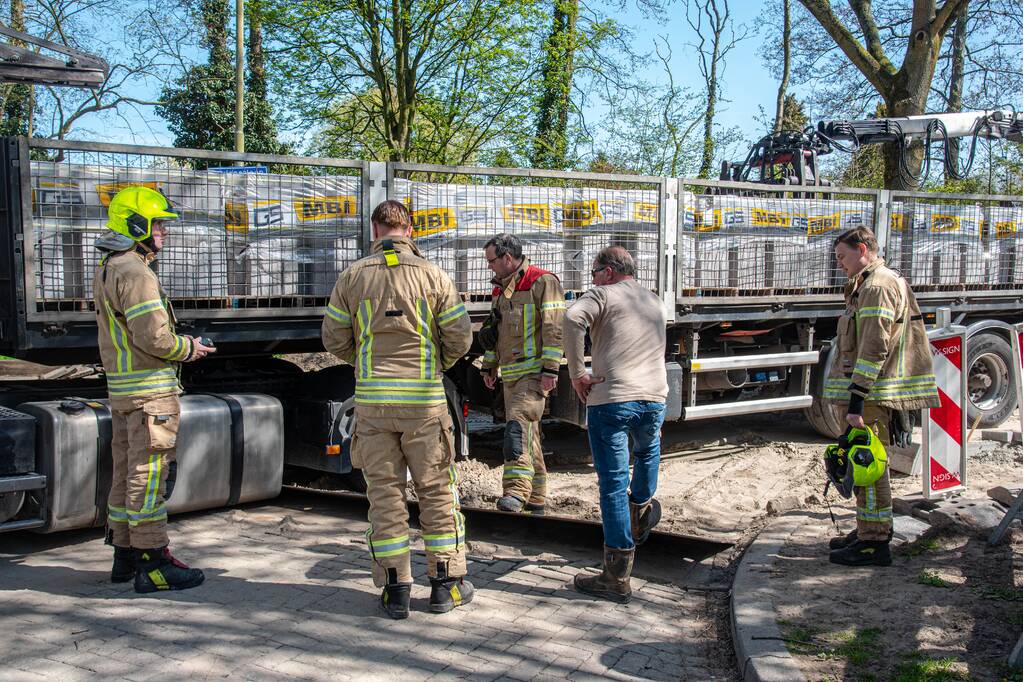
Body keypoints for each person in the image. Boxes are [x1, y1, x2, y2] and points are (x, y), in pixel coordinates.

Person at [322, 200, 474, 619]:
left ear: (376, 230)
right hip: (424, 403)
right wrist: (434, 365)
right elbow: (461, 338)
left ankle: (395, 590)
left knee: (385, 496)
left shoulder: (352, 277)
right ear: (410, 229)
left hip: (372, 405)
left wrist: (364, 362)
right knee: (437, 492)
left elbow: (332, 337)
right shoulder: (434, 275)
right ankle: (445, 587)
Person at [93, 186, 214, 593]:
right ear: (136, 224)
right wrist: (190, 348)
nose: (163, 231)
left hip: (126, 393)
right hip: (150, 394)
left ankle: (124, 556)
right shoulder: (135, 272)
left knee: (126, 473)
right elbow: (156, 339)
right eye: (158, 223)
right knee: (148, 478)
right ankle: (154, 562)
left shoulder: (111, 265)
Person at [824, 227, 939, 567]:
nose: (840, 265)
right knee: (863, 465)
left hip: (872, 395)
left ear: (862, 249)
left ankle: (873, 543)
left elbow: (874, 347)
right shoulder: (867, 284)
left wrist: (857, 402)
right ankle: (868, 530)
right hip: (870, 392)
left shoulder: (877, 286)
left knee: (868, 466)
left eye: (842, 257)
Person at [563, 246, 668, 603]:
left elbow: (572, 318)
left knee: (611, 484)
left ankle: (616, 574)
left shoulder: (601, 294)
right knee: (649, 449)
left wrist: (578, 373)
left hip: (613, 398)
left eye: (594, 272)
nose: (591, 279)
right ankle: (640, 508)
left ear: (608, 272)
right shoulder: (654, 299)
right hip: (654, 396)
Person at [479, 233, 565, 514]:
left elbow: (554, 329)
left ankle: (515, 491)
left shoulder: (542, 281)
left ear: (507, 258)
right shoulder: (500, 289)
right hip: (511, 375)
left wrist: (551, 369)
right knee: (529, 434)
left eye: (491, 261)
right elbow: (494, 334)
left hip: (533, 374)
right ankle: (537, 496)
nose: (489, 266)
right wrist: (489, 365)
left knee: (517, 427)